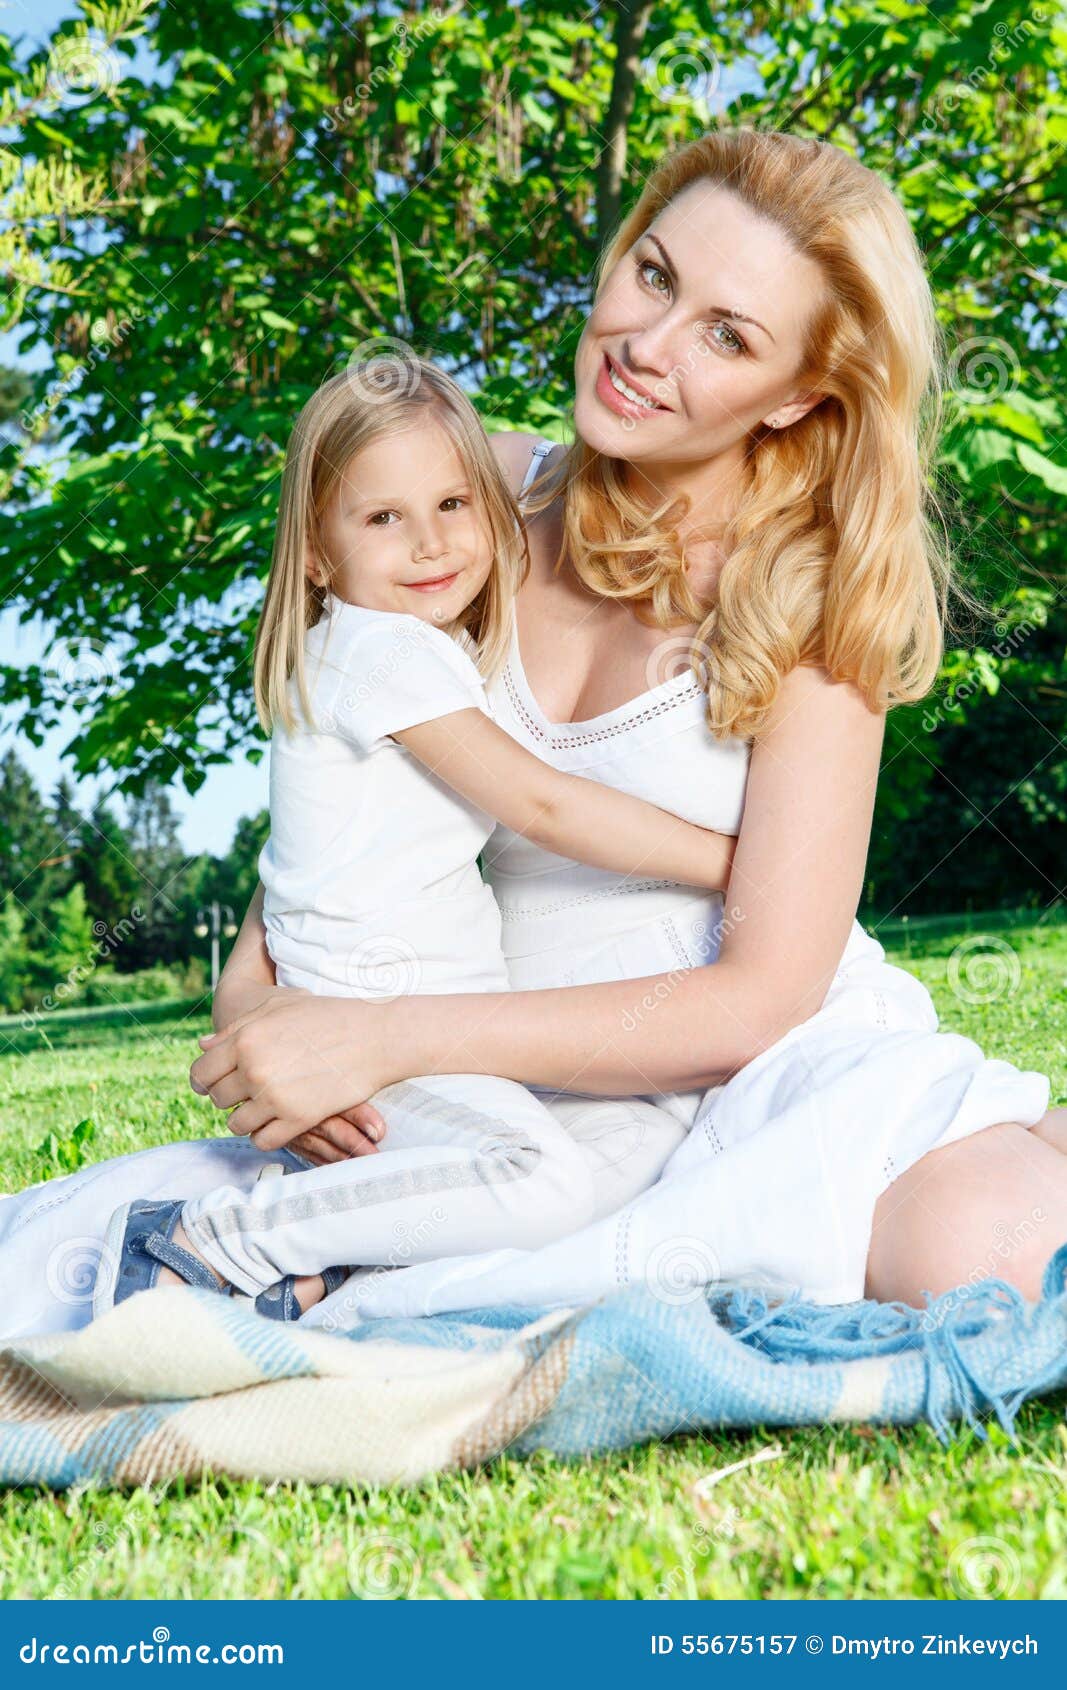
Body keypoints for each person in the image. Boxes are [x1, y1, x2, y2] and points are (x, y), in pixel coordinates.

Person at [1, 129, 1062, 1344]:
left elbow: (759, 996)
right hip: (493, 1099)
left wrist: (384, 1035)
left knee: (976, 1258)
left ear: (797, 395)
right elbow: (349, 772)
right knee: (52, 1268)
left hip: (750, 1070)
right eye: (653, 276)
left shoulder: (813, 596)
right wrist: (258, 1002)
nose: (645, 347)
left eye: (727, 335)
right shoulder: (465, 497)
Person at [91, 359, 741, 1322]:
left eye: (450, 504)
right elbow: (542, 805)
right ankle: (212, 1241)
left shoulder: (382, 650)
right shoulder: (384, 651)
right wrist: (736, 863)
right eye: (382, 518)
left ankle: (339, 1266)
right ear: (317, 553)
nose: (430, 542)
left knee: (633, 1157)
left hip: (420, 1023)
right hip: (372, 1019)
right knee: (542, 1181)